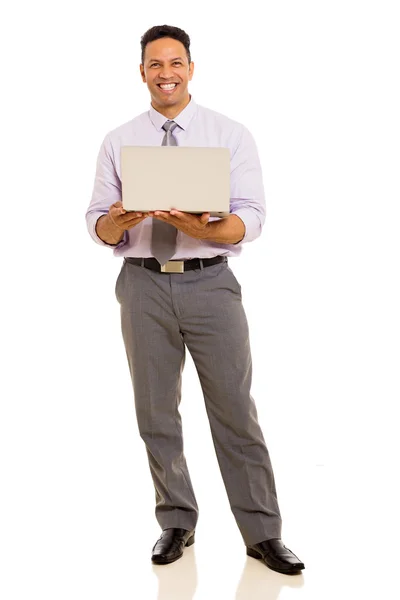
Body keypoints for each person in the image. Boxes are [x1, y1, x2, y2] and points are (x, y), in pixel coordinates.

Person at [85, 24, 305, 575]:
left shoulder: (228, 134)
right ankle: (176, 520)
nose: (166, 73)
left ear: (191, 68)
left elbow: (251, 217)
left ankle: (262, 533)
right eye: (155, 64)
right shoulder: (119, 139)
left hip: (211, 283)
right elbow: (98, 226)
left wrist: (203, 228)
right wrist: (115, 222)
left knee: (234, 409)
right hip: (142, 284)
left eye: (175, 62)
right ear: (142, 72)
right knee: (155, 410)